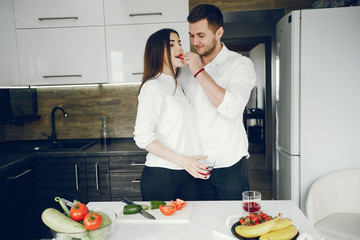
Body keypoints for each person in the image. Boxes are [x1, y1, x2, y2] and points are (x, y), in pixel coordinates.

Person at [179, 4, 256, 200]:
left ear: (219, 32)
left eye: (201, 35)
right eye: (191, 35)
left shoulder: (240, 64)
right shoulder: (185, 68)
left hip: (228, 166)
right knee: (200, 224)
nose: (195, 42)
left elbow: (232, 108)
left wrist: (199, 71)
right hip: (195, 166)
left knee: (235, 223)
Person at [133, 28, 208, 201]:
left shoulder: (177, 86)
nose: (180, 48)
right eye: (172, 44)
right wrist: (183, 161)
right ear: (157, 52)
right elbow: (142, 137)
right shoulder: (153, 86)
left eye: (180, 43)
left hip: (186, 173)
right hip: (162, 176)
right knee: (163, 228)